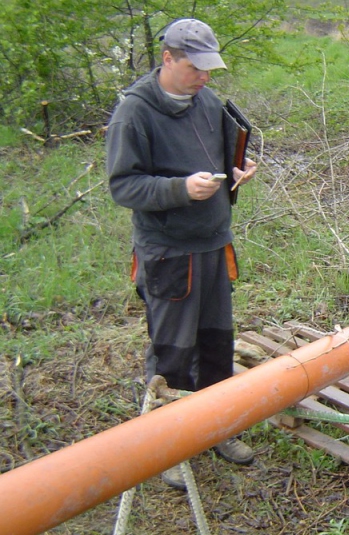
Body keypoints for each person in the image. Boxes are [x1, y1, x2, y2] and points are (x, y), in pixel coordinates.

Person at [106, 18, 258, 489]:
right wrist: (178, 188)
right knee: (172, 351)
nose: (205, 78)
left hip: (213, 242)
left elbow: (219, 155)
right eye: (195, 68)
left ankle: (215, 429)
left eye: (210, 69)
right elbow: (123, 186)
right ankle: (163, 446)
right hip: (169, 252)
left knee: (216, 343)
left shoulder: (207, 101)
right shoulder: (135, 113)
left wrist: (237, 169)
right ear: (167, 59)